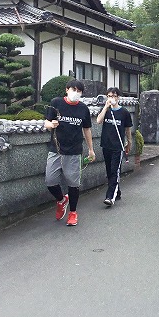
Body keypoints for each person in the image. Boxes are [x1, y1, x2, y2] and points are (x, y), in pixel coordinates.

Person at [44, 79, 96, 226]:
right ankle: (61, 200)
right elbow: (46, 122)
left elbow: (87, 129)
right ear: (67, 90)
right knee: (50, 180)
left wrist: (91, 149)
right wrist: (51, 124)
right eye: (74, 89)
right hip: (56, 149)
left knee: (73, 184)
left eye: (79, 91)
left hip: (74, 151)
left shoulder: (83, 109)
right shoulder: (56, 103)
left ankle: (73, 212)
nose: (76, 93)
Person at [96, 87, 133, 207]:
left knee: (115, 170)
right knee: (109, 170)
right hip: (106, 144)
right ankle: (117, 192)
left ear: (118, 97)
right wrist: (106, 107)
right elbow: (98, 121)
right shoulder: (106, 110)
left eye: (114, 96)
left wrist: (129, 142)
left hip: (118, 146)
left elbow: (128, 128)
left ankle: (110, 196)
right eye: (109, 96)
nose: (112, 98)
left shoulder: (124, 113)